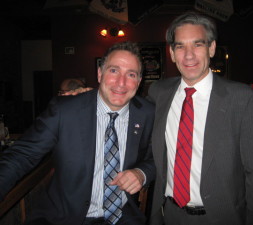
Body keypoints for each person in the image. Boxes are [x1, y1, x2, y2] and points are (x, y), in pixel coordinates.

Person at [0, 41, 156, 225]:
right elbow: (22, 154)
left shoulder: (148, 114)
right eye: (114, 71)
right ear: (100, 74)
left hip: (123, 217)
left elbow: (158, 158)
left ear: (138, 82)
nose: (121, 83)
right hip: (65, 218)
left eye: (131, 74)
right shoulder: (64, 111)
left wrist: (141, 173)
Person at [147, 11, 253, 225]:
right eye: (180, 46)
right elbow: (127, 111)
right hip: (169, 215)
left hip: (222, 217)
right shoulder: (158, 92)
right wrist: (83, 98)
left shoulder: (243, 99)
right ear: (171, 52)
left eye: (197, 45)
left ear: (212, 48)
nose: (188, 55)